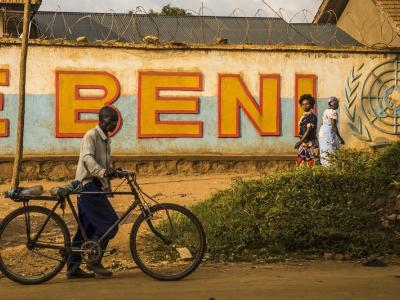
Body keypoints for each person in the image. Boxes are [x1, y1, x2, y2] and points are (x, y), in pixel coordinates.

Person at [66, 106, 119, 279]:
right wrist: (103, 172)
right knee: (110, 223)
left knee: (85, 230)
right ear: (104, 120)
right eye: (113, 121)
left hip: (96, 187)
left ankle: (72, 269)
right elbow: (87, 159)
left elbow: (102, 164)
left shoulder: (106, 140)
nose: (115, 125)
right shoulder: (91, 136)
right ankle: (93, 260)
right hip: (87, 186)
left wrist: (113, 171)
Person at [319, 96, 345, 167]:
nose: (338, 105)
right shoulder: (333, 112)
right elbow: (334, 127)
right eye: (337, 103)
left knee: (324, 149)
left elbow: (323, 123)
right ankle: (330, 167)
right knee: (330, 149)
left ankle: (324, 165)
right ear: (332, 104)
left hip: (322, 131)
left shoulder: (325, 111)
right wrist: (340, 138)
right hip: (328, 132)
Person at [295, 94, 318, 167]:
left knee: (311, 162)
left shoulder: (312, 117)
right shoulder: (304, 117)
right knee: (300, 161)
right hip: (304, 143)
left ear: (311, 105)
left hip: (310, 143)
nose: (305, 106)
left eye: (307, 104)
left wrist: (299, 142)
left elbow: (308, 131)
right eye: (303, 104)